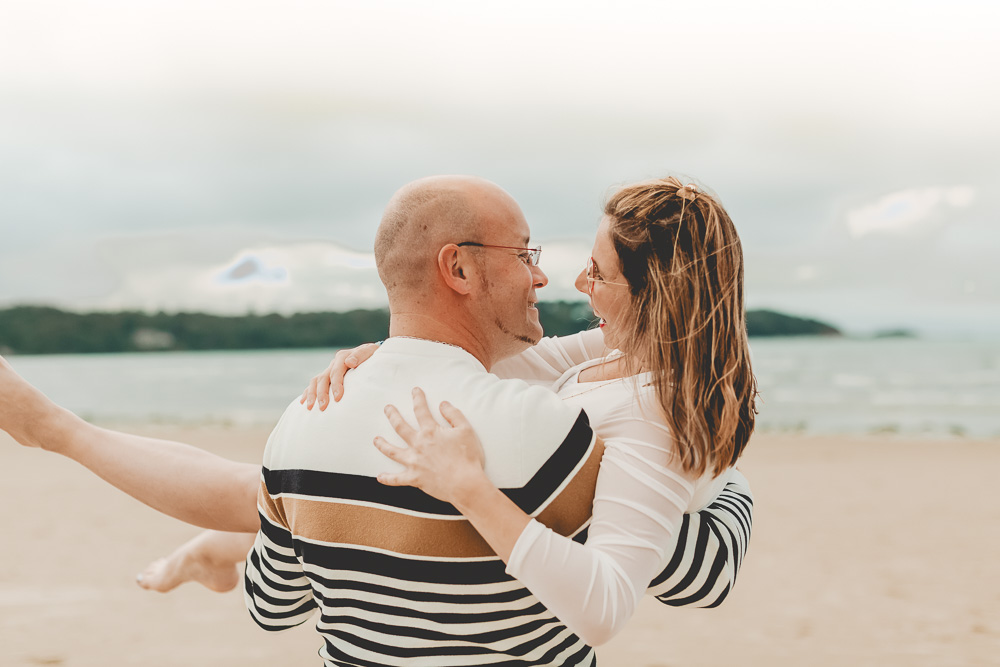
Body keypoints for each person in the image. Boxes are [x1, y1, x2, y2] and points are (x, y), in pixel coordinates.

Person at [0, 175, 753, 665]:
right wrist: (386, 357)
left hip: (330, 484)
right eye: (528, 254)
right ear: (457, 268)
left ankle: (65, 433)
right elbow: (696, 570)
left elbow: (274, 607)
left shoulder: (304, 423)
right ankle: (71, 438)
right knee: (283, 492)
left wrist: (452, 469)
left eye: (596, 272)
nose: (556, 277)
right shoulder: (572, 413)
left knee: (274, 492)